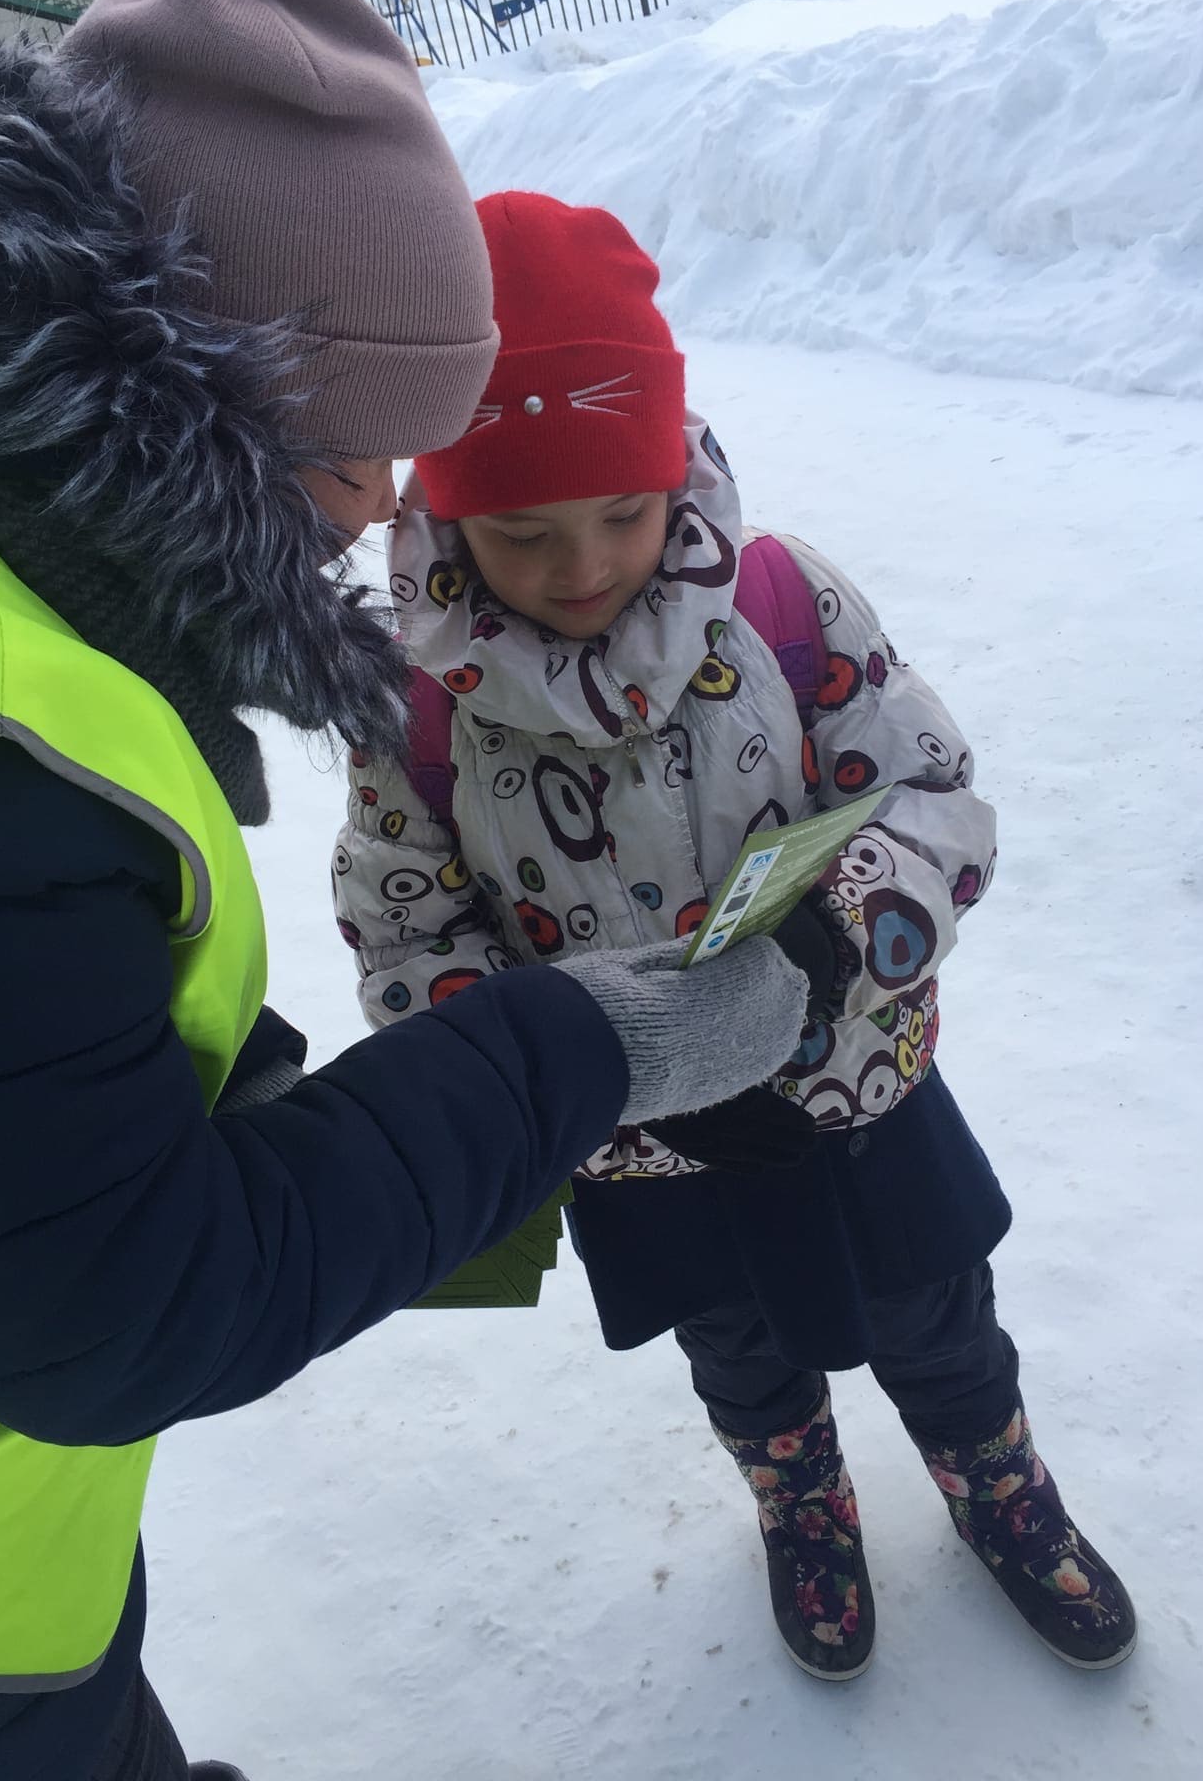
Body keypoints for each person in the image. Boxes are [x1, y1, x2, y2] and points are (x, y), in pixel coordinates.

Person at [0, 0, 810, 1781]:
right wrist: (568, 1044)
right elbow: (124, 1307)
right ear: (212, 383)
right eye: (367, 445)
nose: (382, 511)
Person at [334, 191, 1138, 1682]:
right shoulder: (417, 705)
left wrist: (834, 948)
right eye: (523, 533)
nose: (583, 567)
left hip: (856, 1090)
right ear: (446, 512)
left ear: (674, 470)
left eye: (624, 515)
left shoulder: (782, 608)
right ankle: (801, 1501)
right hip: (643, 1150)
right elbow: (401, 926)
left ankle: (998, 1483)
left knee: (937, 1314)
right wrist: (542, 1061)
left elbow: (941, 806)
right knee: (742, 1355)